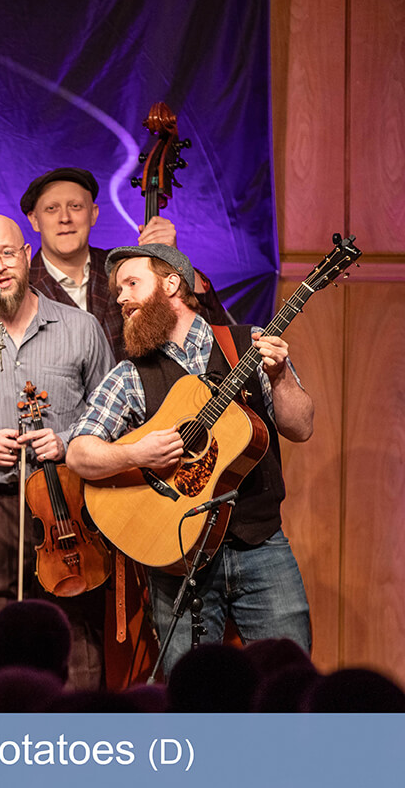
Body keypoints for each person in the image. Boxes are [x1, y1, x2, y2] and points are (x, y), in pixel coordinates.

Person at [66, 243, 314, 677]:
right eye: (117, 289)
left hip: (261, 544)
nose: (120, 297)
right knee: (192, 698)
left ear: (172, 284)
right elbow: (79, 453)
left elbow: (301, 426)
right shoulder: (130, 374)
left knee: (289, 681)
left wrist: (278, 378)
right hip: (177, 558)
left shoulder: (248, 344)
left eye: (131, 284)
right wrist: (134, 452)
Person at [0, 213, 114, 692]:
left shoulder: (81, 328)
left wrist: (68, 442)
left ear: (27, 255)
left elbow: (115, 415)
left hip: (67, 507)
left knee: (75, 633)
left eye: (8, 253)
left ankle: (79, 750)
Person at [20, 167, 231, 360]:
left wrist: (174, 261)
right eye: (51, 208)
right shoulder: (21, 288)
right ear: (34, 219)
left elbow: (212, 332)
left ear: (93, 214)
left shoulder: (127, 269)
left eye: (75, 206)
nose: (65, 218)